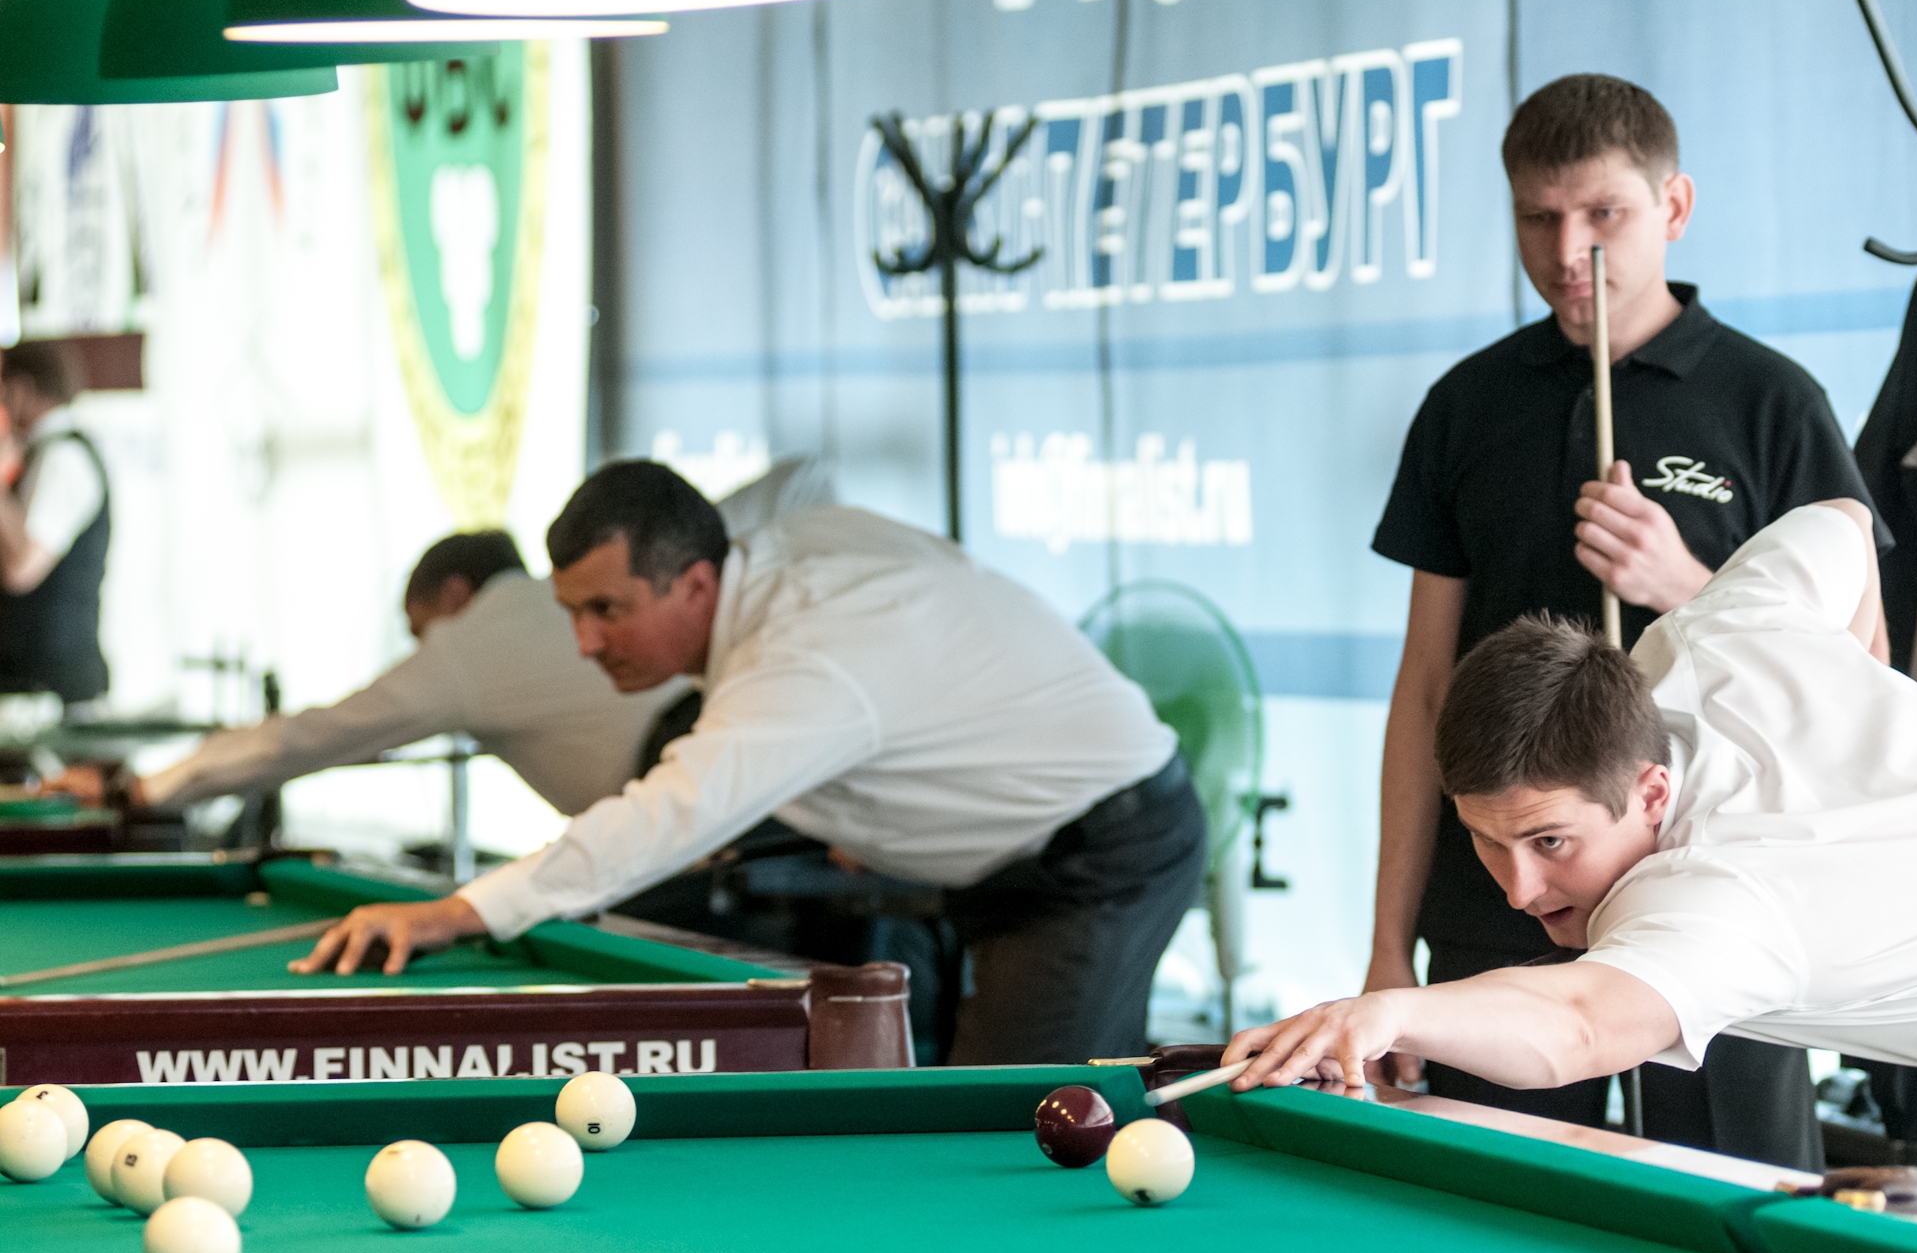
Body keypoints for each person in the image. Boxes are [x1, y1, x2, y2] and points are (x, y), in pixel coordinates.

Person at [1228, 500, 1917, 1253]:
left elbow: (1580, 1027)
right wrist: (1862, 693)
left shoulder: (1726, 889)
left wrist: (1389, 1011)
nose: (1518, 890)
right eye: (1488, 842)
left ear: (1650, 792)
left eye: (1551, 843)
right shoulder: (1708, 630)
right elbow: (1842, 523)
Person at [1365, 74, 1884, 1168]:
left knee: (1727, 1216)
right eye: (1538, 218)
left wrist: (1685, 581)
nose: (1569, 252)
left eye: (1604, 214)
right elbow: (1425, 692)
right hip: (1502, 893)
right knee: (1492, 1210)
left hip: (1719, 895)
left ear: (1673, 206)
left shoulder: (1769, 402)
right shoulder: (1467, 404)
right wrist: (1385, 948)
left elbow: (1856, 677)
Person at [290, 461, 1203, 1064]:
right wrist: (879, 807)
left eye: (607, 611)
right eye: (571, 611)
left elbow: (665, 817)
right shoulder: (795, 548)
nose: (583, 643)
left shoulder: (799, 659)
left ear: (694, 582)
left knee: (1021, 1122)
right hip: (1025, 852)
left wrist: (458, 911)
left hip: (1098, 857)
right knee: (1010, 1106)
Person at [127, 530, 684, 817]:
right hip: (695, 800)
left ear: (455, 595)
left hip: (689, 820)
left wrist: (152, 787)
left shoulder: (473, 642)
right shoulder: (541, 605)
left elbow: (316, 737)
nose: (424, 652)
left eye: (421, 632)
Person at [0, 341, 112, 706]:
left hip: (53, 691)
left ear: (21, 389)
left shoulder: (65, 459)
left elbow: (21, 567)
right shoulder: (39, 455)